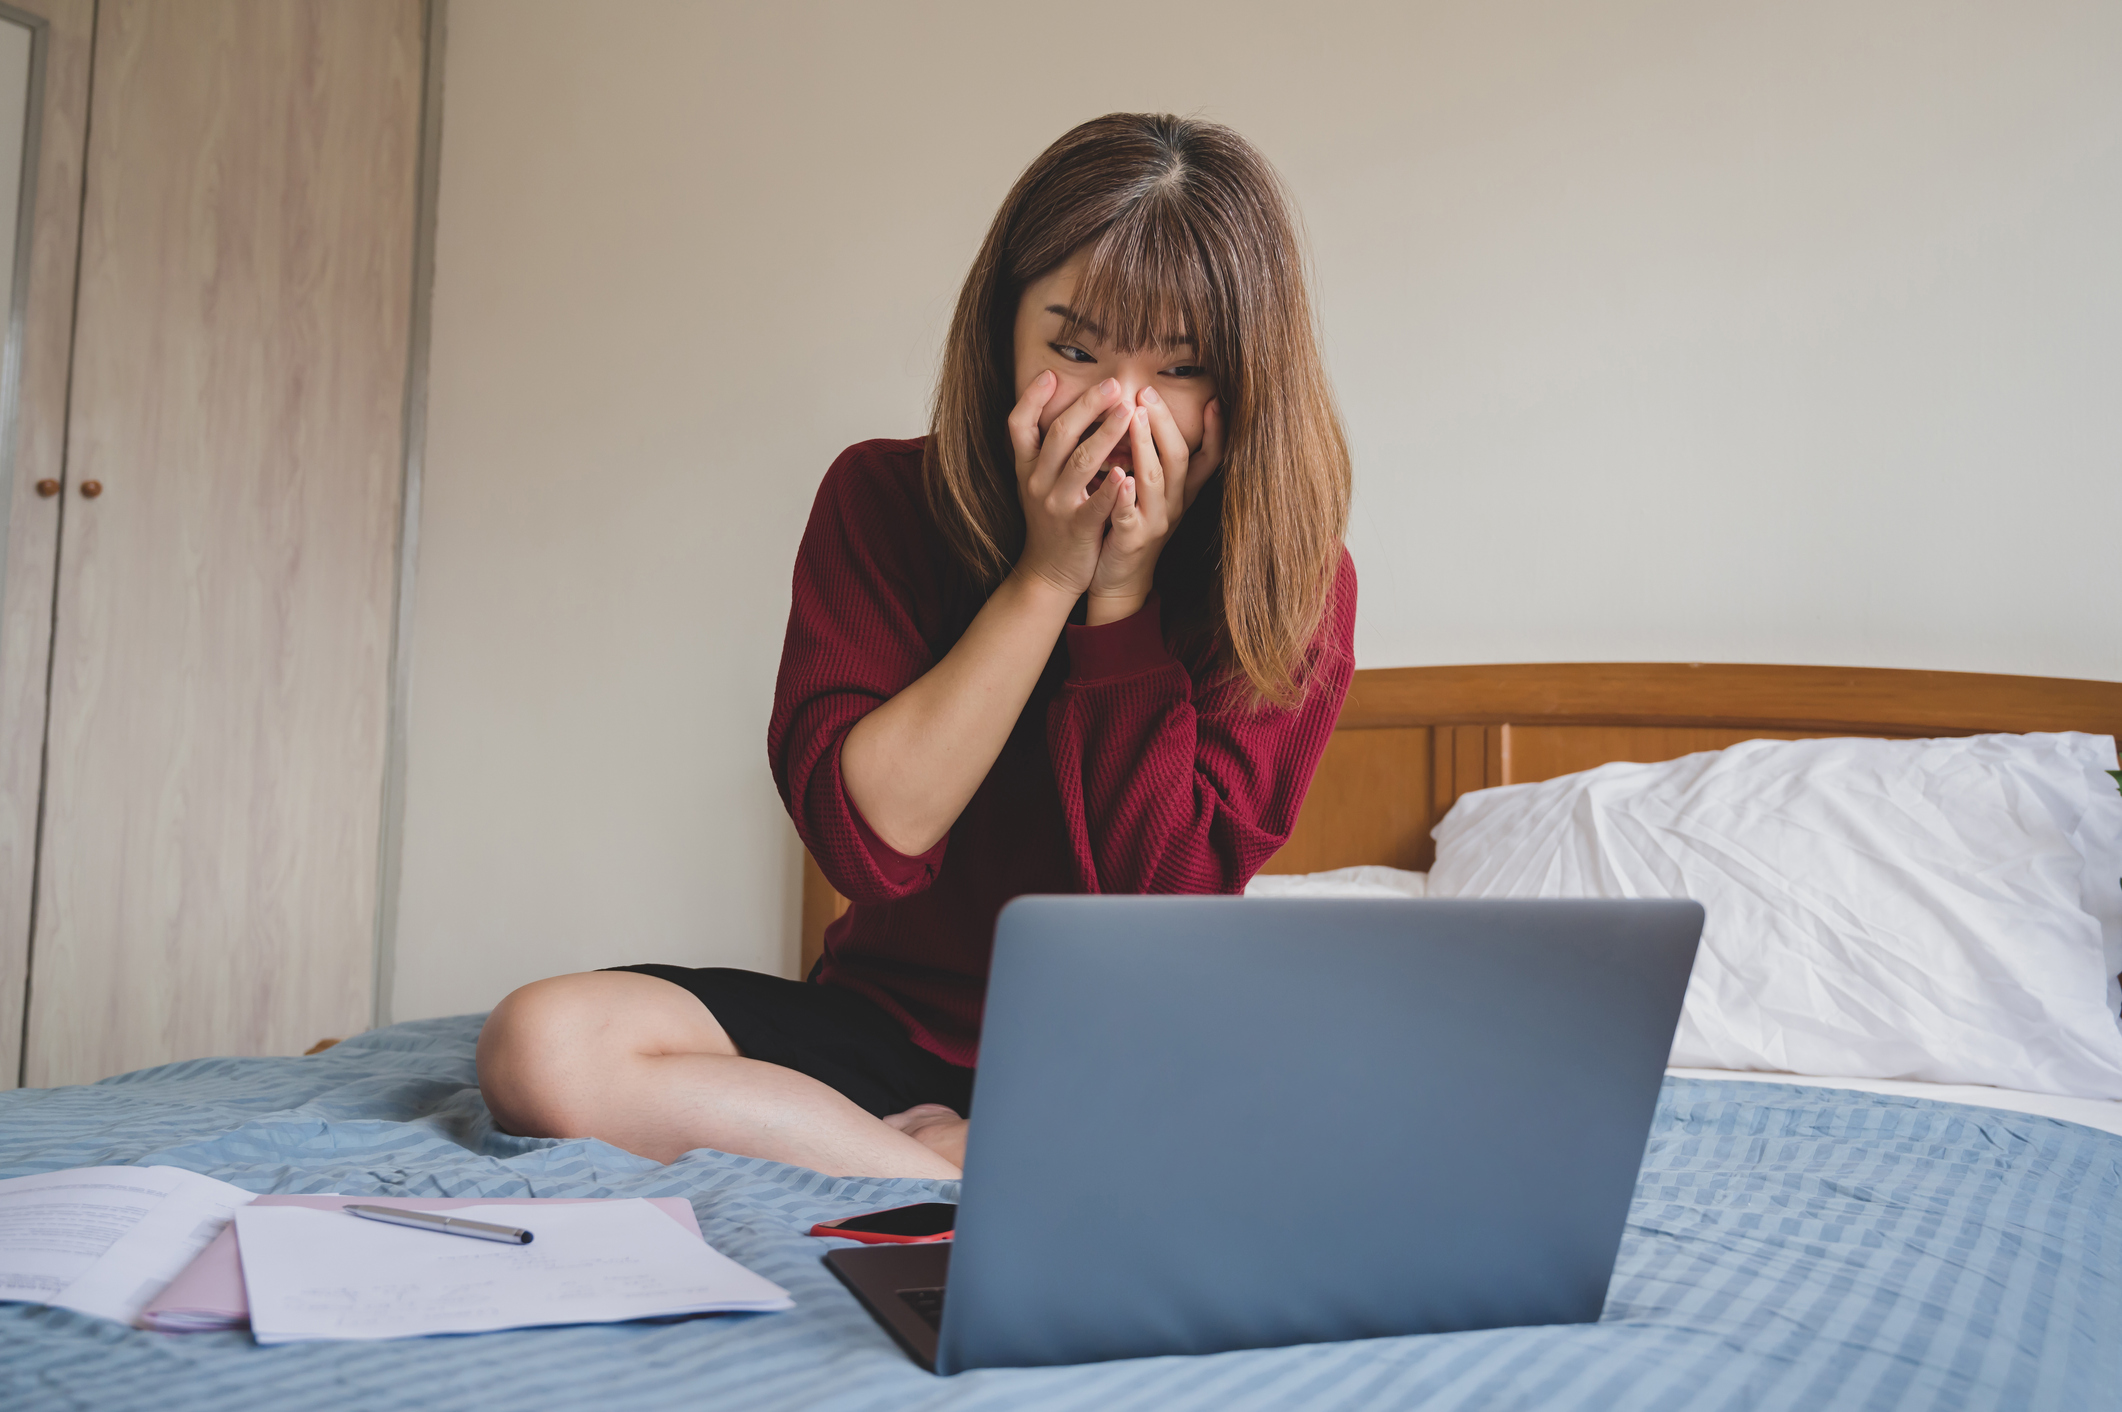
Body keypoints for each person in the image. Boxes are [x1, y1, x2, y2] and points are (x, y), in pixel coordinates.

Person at [476, 113, 1357, 1179]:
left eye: (1175, 368)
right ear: (1003, 337)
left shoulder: (1287, 584)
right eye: (1072, 350)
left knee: (1340, 1112)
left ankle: (991, 1152)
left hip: (1127, 1056)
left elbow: (1160, 905)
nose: (1117, 407)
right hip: (884, 1030)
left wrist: (1120, 597)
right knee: (540, 1046)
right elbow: (870, 842)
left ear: (1242, 384)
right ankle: (954, 1172)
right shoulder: (883, 502)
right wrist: (1046, 576)